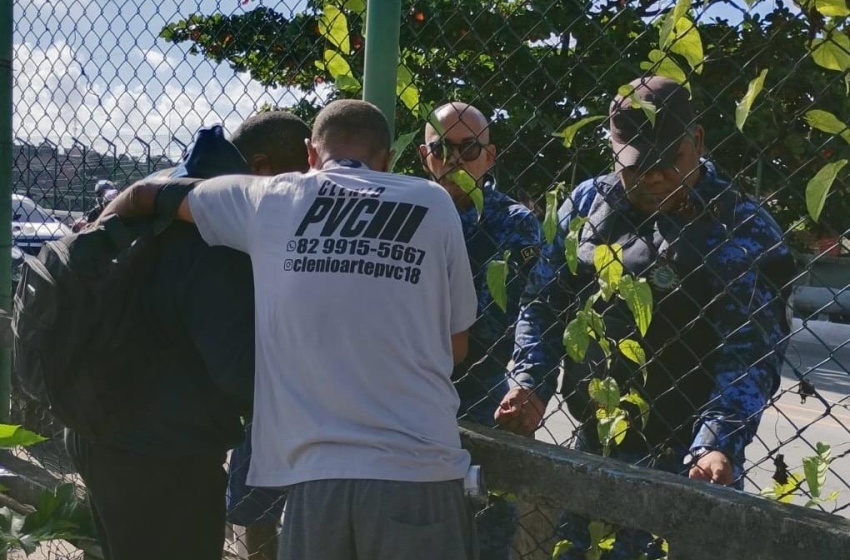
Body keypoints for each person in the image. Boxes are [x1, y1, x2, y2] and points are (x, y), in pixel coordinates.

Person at [103, 99, 480, 560]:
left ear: (309, 154)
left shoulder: (270, 198)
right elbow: (456, 345)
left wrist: (94, 229)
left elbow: (147, 195)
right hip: (420, 472)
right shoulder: (433, 201)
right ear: (386, 160)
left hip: (314, 476)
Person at [513, 75, 796, 559]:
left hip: (689, 460)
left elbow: (749, 353)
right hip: (594, 445)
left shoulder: (742, 228)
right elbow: (543, 302)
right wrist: (530, 382)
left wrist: (717, 443)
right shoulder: (585, 206)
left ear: (698, 141)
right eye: (637, 166)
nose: (655, 178)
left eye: (670, 162)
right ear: (612, 148)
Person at [66, 111, 312, 560]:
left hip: (97, 423)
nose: (305, 196)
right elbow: (241, 372)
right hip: (162, 452)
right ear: (260, 169)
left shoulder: (163, 188)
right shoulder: (220, 236)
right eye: (300, 178)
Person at [420, 102, 557, 560]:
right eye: (441, 149)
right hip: (411, 392)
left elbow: (528, 315)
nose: (454, 160)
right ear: (425, 156)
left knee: (485, 528)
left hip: (480, 394)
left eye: (467, 148)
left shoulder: (515, 223)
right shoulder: (410, 213)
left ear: (489, 155)